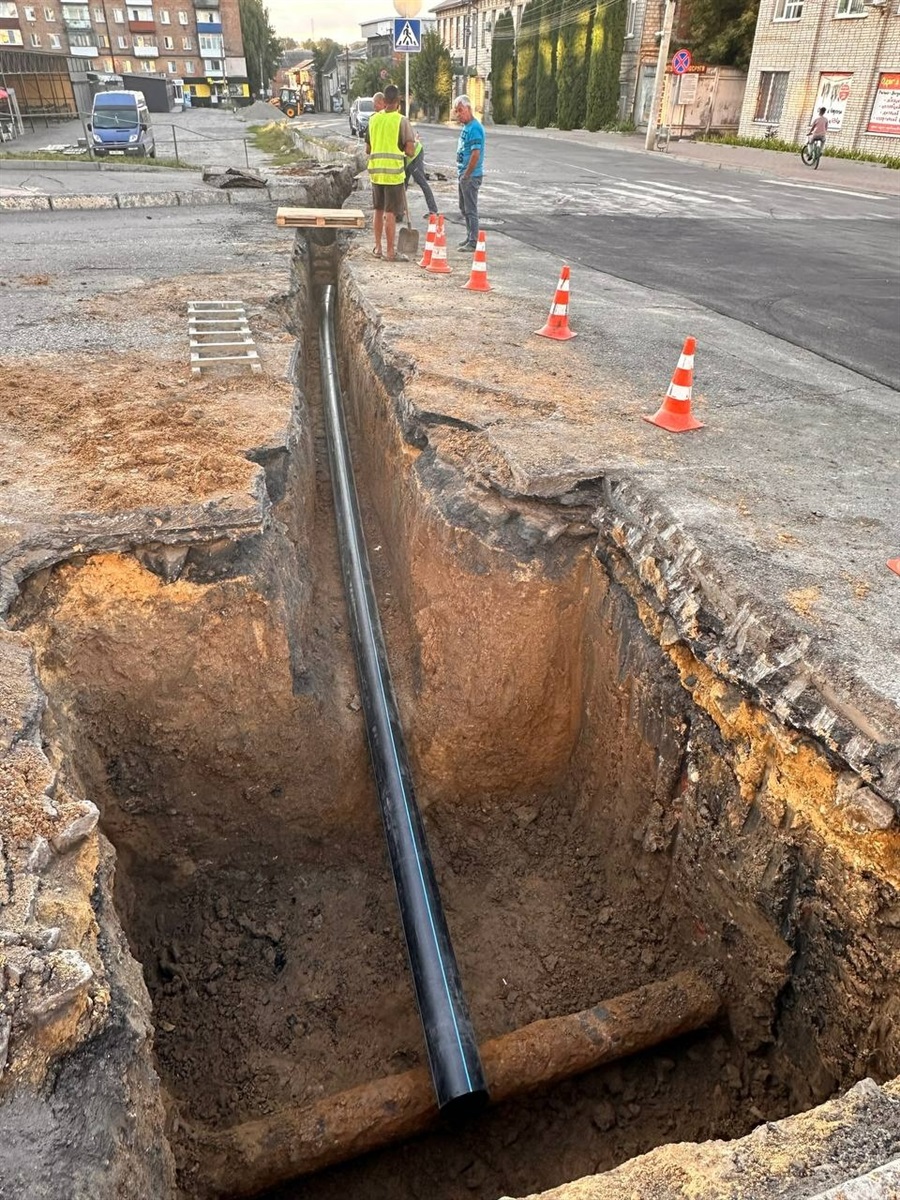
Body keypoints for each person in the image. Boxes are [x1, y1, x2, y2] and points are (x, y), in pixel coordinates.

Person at [365, 83, 415, 262]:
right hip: (393, 175)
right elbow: (410, 150)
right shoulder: (402, 121)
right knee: (391, 213)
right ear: (398, 101)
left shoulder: (373, 120)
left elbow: (368, 149)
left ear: (384, 101)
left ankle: (378, 248)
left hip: (376, 174)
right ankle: (390, 252)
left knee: (378, 211)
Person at [453, 94, 484, 251]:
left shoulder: (475, 128)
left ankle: (474, 241)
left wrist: (467, 174)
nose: (458, 114)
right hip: (464, 174)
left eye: (460, 110)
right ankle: (469, 236)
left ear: (468, 108)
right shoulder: (466, 127)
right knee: (464, 207)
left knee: (471, 208)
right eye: (456, 111)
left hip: (470, 176)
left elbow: (475, 154)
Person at [405, 133, 439, 220]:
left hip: (415, 153)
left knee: (421, 181)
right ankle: (399, 211)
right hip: (406, 155)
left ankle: (433, 210)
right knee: (402, 184)